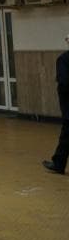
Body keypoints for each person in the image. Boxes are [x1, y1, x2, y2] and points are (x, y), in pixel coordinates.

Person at [42, 34, 69, 175]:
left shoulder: (63, 59)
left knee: (66, 135)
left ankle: (58, 164)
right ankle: (58, 163)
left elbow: (64, 83)